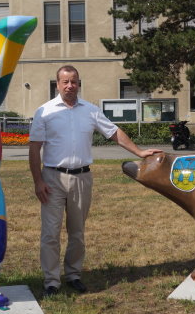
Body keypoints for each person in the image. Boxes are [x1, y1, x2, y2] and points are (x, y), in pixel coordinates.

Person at [29, 65, 162, 297]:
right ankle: (51, 281)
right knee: (50, 233)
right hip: (52, 179)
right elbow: (34, 149)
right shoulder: (44, 112)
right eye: (65, 82)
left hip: (82, 178)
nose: (70, 86)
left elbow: (114, 133)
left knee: (77, 232)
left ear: (79, 83)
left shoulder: (90, 111)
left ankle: (73, 275)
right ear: (57, 84)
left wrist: (139, 152)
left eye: (74, 81)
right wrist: (38, 181)